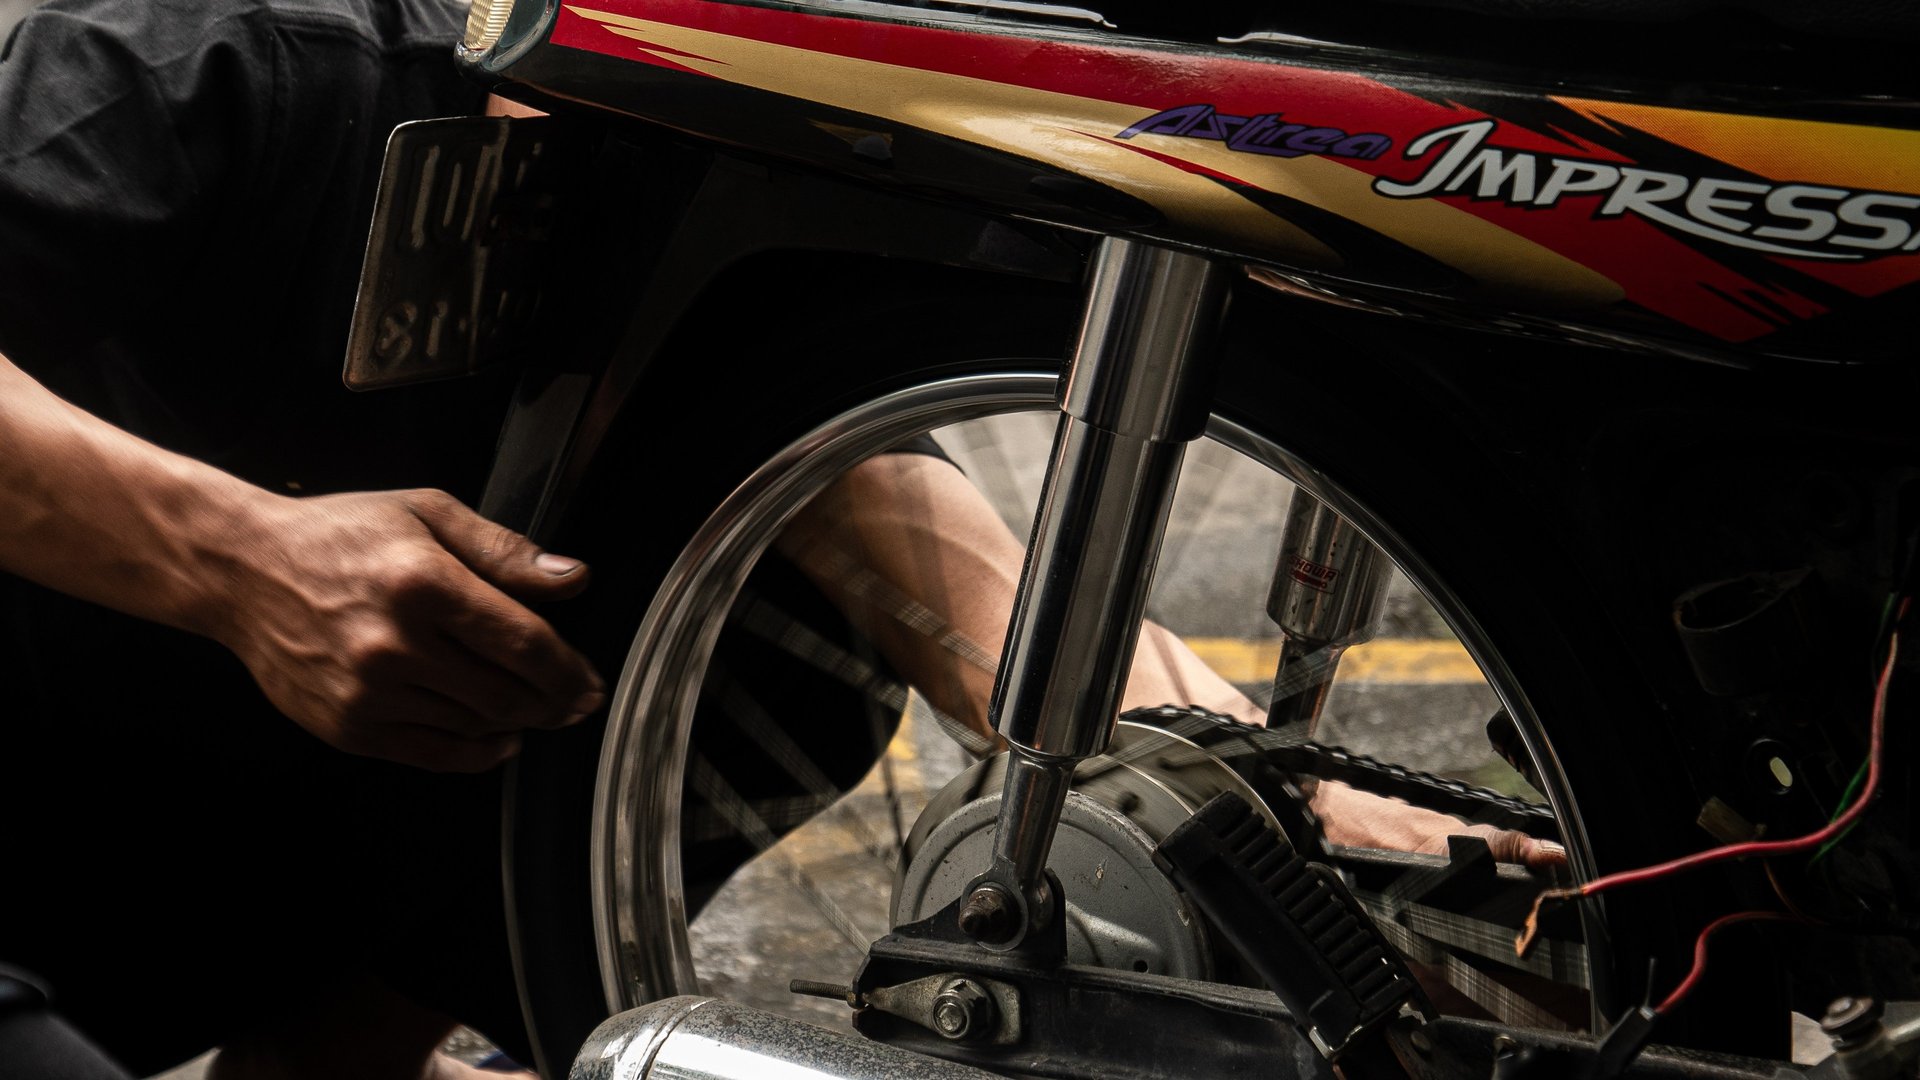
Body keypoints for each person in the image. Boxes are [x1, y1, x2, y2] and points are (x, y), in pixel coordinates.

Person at [0, 0, 596, 1076]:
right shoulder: (234, 52)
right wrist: (242, 562)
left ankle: (341, 1053)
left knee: (807, 631)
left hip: (213, 830)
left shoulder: (748, 159)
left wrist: (997, 703)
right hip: (52, 764)